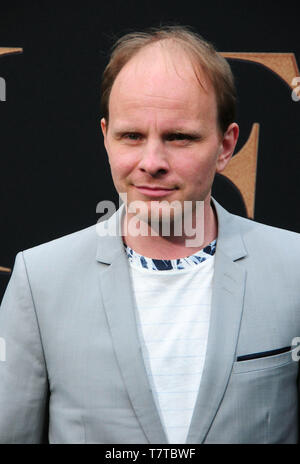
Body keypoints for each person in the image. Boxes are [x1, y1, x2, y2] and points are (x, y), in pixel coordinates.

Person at [0, 26, 299, 445]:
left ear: (226, 146)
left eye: (180, 137)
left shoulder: (294, 268)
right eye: (132, 136)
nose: (152, 161)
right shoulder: (40, 280)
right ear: (105, 137)